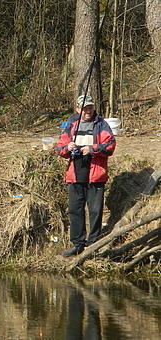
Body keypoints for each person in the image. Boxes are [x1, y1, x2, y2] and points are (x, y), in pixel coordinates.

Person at [56, 95, 116, 257]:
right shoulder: (71, 125)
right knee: (75, 211)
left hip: (96, 175)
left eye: (90, 107)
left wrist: (93, 148)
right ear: (78, 109)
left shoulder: (101, 124)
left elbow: (110, 146)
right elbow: (59, 149)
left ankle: (93, 244)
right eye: (84, 108)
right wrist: (68, 147)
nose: (88, 111)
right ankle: (77, 244)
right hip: (75, 175)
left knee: (95, 211)